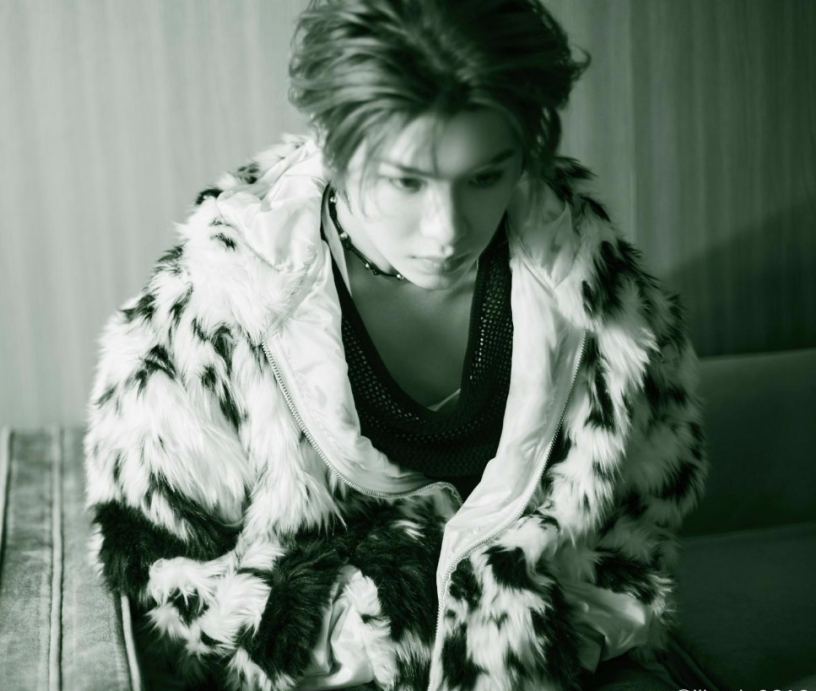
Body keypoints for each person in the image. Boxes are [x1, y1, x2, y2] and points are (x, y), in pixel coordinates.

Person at [83, 0, 708, 689]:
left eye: (485, 176)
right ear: (332, 144)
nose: (446, 229)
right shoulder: (216, 308)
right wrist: (388, 630)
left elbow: (634, 546)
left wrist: (524, 637)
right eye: (405, 182)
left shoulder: (607, 310)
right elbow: (167, 574)